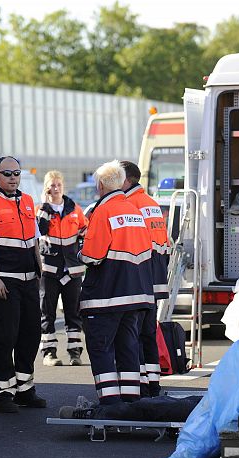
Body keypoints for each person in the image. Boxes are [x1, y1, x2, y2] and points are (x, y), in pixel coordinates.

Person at [0, 155, 47, 413]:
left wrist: (40, 272)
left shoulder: (26, 201)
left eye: (16, 173)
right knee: (4, 337)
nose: (13, 178)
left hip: (27, 281)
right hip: (3, 282)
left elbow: (34, 241)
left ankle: (25, 390)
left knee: (30, 335)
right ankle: (3, 394)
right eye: (7, 174)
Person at [79, 160, 154, 405]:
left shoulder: (103, 211)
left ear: (101, 185)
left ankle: (111, 407)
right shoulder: (135, 211)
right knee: (128, 350)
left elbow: (92, 256)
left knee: (101, 350)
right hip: (137, 295)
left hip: (106, 296)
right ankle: (131, 405)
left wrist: (80, 251)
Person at [58, 385, 239, 426]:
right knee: (157, 404)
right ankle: (97, 409)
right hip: (221, 401)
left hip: (222, 412)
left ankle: (90, 414)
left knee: (152, 409)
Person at [122, 161, 171, 397]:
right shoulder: (151, 204)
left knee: (133, 335)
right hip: (155, 281)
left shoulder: (129, 205)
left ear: (126, 179)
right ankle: (153, 384)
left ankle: (140, 386)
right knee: (148, 334)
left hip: (138, 280)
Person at [36, 170, 88, 367]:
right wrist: (45, 209)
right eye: (52, 185)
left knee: (73, 312)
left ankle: (75, 353)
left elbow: (85, 231)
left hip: (72, 269)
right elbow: (38, 231)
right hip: (49, 269)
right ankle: (49, 353)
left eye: (58, 184)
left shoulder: (74, 209)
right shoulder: (40, 209)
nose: (55, 188)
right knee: (47, 312)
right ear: (46, 188)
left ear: (63, 186)